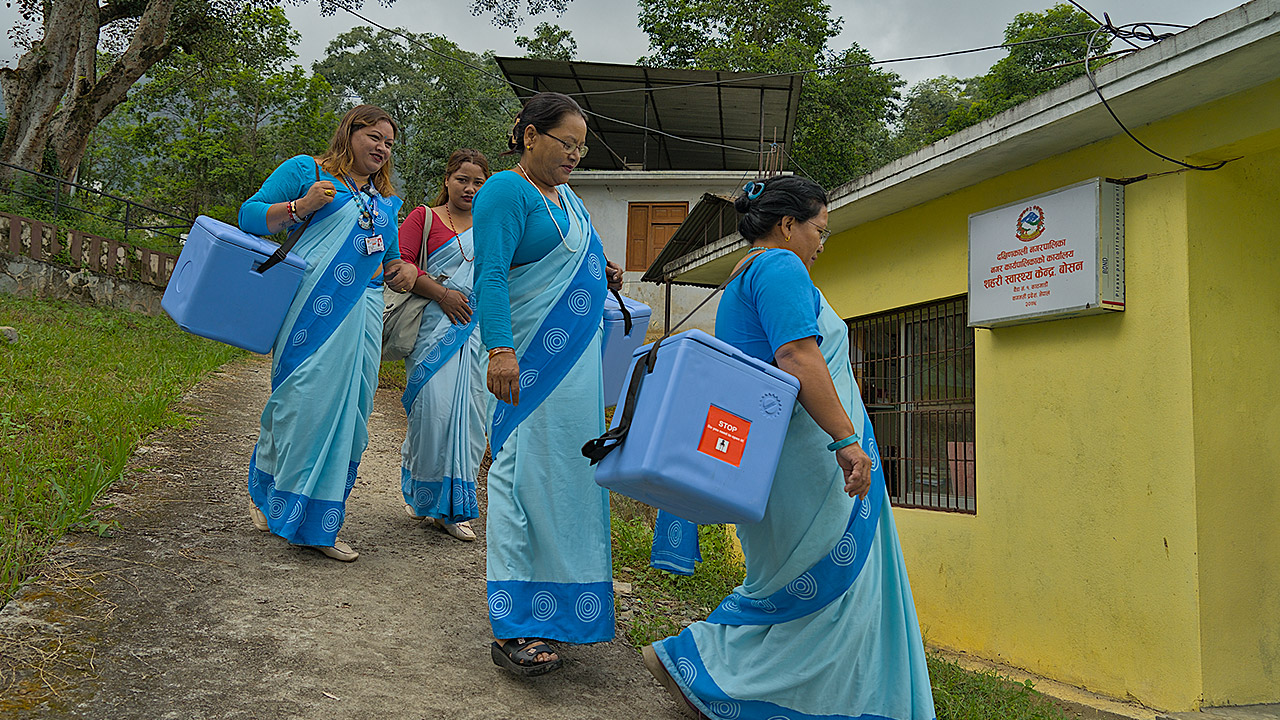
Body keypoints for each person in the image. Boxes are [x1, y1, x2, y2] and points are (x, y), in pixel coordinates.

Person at [642, 176, 936, 720]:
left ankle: (729, 676)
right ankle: (700, 663)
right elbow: (799, 357)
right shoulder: (779, 268)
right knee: (827, 601)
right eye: (819, 229)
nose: (823, 242)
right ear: (787, 225)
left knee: (809, 599)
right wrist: (846, 441)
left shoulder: (747, 273)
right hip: (806, 463)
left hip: (782, 460)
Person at [473, 92, 624, 675]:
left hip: (576, 373)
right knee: (518, 479)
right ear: (529, 136)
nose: (576, 156)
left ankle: (560, 610)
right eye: (567, 143)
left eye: (582, 147)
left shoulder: (567, 200)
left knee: (567, 478)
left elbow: (573, 261)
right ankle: (515, 625)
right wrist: (501, 349)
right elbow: (489, 274)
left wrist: (601, 267)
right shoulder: (506, 192)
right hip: (529, 367)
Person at [240, 105, 416, 562]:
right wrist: (300, 207)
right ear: (350, 132)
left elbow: (391, 259)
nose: (382, 148)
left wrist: (400, 270)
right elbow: (250, 216)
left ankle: (316, 521)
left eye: (390, 143)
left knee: (349, 412)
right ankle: (272, 494)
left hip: (361, 315)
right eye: (374, 136)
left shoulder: (386, 202)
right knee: (299, 403)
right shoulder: (307, 171)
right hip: (307, 311)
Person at [395, 149, 491, 542]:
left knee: (471, 419)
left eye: (478, 182)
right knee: (431, 415)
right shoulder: (425, 217)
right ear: (447, 180)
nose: (469, 188)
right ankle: (426, 494)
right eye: (462, 179)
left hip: (477, 333)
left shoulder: (492, 225)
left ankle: (453, 509)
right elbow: (396, 265)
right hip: (433, 331)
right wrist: (442, 294)